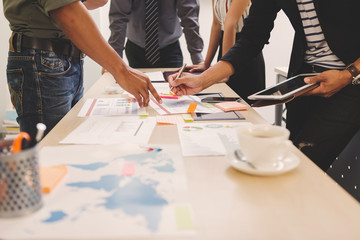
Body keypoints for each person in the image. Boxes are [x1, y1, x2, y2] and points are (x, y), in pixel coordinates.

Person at [168, 0, 360, 171]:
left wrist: (348, 74)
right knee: (289, 156)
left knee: (305, 163)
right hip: (305, 79)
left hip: (351, 80)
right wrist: (202, 80)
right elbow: (252, 38)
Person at [3, 0, 162, 140]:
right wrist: (121, 70)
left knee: (69, 144)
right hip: (42, 60)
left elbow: (96, 2)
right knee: (51, 155)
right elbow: (68, 13)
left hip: (65, 61)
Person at [187, 0, 265, 103]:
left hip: (243, 53)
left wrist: (223, 72)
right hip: (226, 49)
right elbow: (216, 25)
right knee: (223, 105)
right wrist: (206, 64)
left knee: (243, 109)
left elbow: (230, 23)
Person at [108, 0, 204, 68]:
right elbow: (118, 18)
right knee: (135, 95)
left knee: (173, 92)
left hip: (170, 50)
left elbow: (189, 16)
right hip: (136, 50)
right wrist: (113, 61)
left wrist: (197, 58)